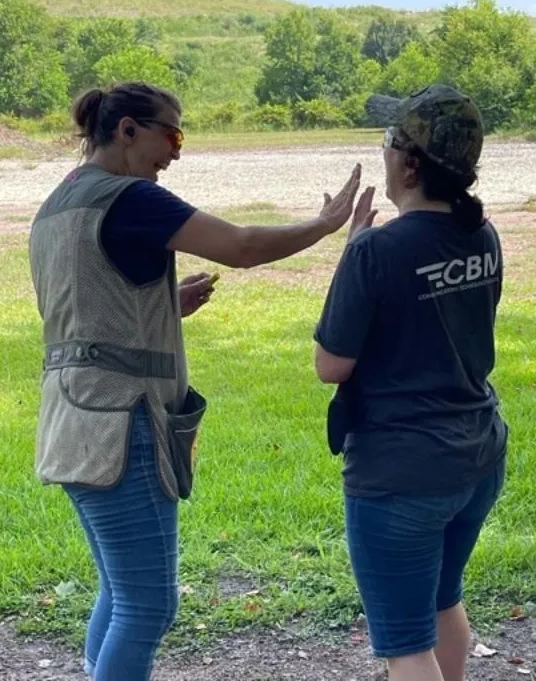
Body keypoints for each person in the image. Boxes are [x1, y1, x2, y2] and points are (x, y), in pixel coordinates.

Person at [28, 81, 362, 681]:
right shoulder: (130, 199)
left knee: (122, 591)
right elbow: (241, 245)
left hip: (72, 421)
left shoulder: (59, 202)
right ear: (128, 130)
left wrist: (159, 304)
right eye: (172, 135)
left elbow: (81, 308)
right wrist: (325, 223)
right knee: (150, 605)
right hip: (120, 424)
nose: (177, 152)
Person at [314, 84, 508, 681]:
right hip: (477, 454)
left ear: (408, 161)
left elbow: (330, 365)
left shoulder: (376, 250)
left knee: (405, 644)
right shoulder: (483, 235)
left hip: (401, 471)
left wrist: (351, 255)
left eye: (389, 140)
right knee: (443, 600)